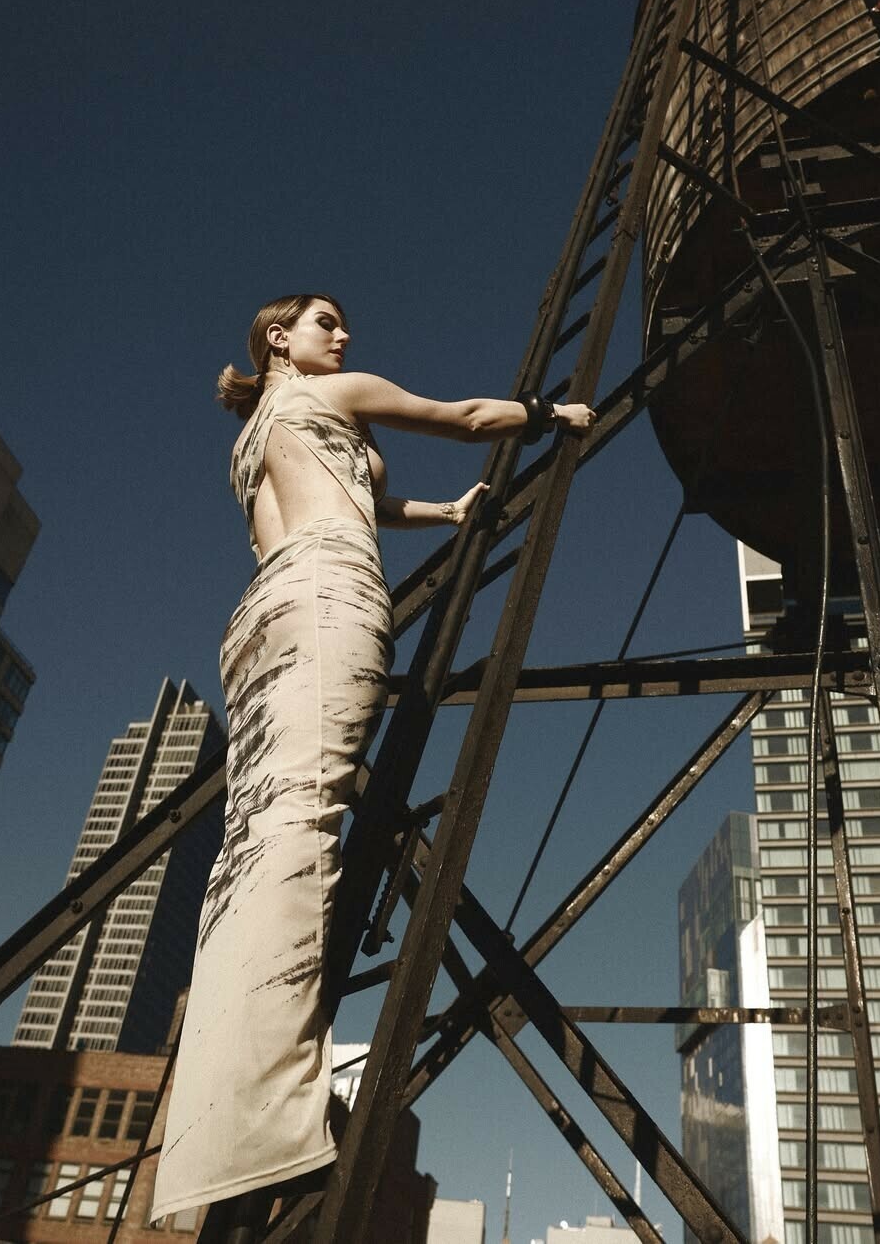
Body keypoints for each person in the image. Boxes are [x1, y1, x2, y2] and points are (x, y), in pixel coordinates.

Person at [150, 294, 595, 1231]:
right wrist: (551, 411)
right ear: (279, 336)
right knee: (299, 826)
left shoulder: (252, 438)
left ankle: (216, 1127)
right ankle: (266, 1127)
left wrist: (443, 510)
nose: (343, 335)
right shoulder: (335, 390)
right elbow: (463, 417)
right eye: (325, 321)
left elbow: (357, 496)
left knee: (254, 841)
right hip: (329, 595)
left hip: (260, 615)